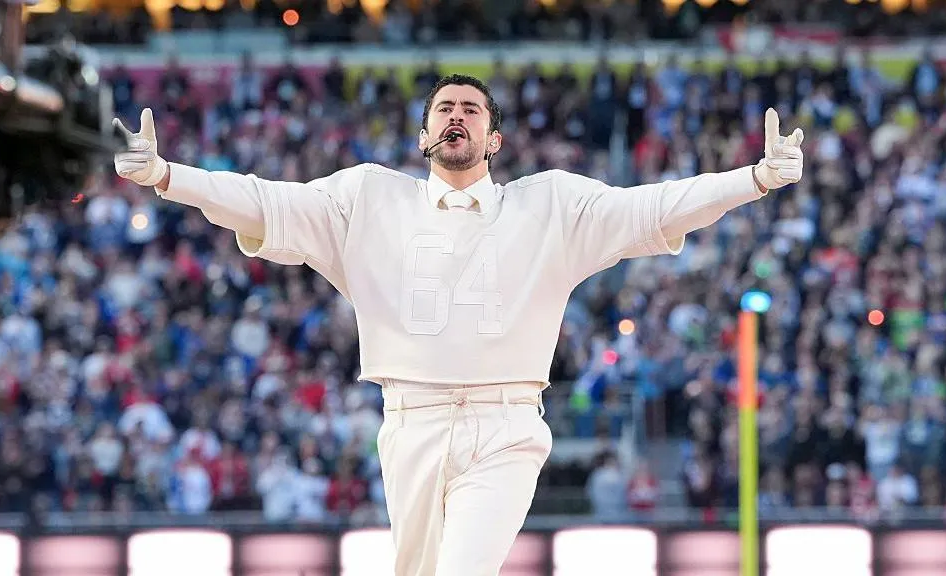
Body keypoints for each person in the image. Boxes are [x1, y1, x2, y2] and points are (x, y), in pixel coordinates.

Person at [113, 73, 804, 576]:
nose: (456, 116)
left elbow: (656, 207)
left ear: (493, 138)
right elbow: (264, 202)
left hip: (506, 425)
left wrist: (756, 178)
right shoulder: (366, 197)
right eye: (444, 107)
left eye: (471, 109)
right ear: (423, 136)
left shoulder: (551, 206)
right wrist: (168, 176)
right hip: (409, 422)